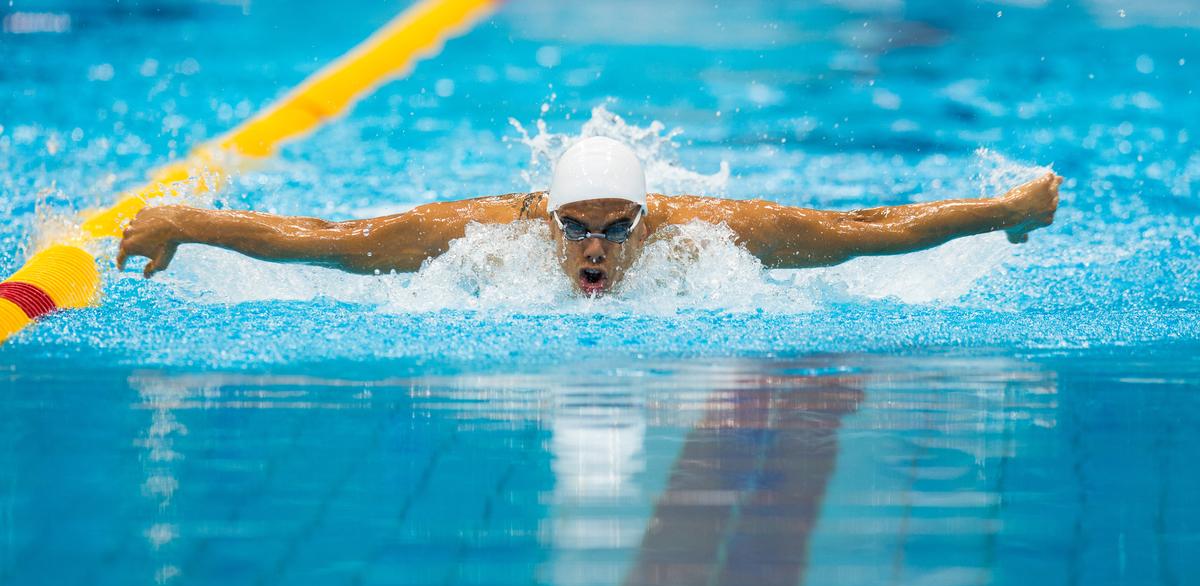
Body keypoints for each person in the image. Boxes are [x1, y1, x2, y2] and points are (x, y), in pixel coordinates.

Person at [117, 136, 1062, 296]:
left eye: (619, 226)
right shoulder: (485, 234)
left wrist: (1002, 213)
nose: (598, 249)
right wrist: (184, 221)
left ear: (648, 219)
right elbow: (323, 243)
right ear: (549, 216)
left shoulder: (709, 233)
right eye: (581, 227)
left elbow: (866, 228)